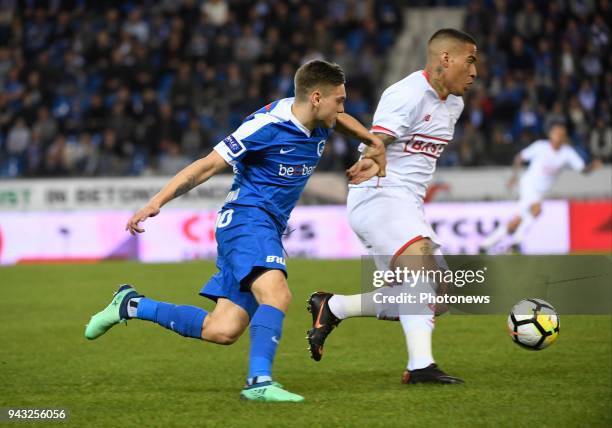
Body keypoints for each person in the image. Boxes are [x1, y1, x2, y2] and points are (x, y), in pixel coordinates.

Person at [84, 60, 386, 402]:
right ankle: (259, 382)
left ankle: (131, 304)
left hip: (265, 225)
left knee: (222, 329)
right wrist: (157, 201)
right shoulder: (266, 126)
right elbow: (206, 166)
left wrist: (372, 141)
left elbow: (342, 120)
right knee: (277, 294)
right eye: (339, 100)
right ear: (316, 97)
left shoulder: (321, 118)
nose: (344, 108)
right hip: (246, 218)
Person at [306, 29, 478, 384]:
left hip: (407, 204)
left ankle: (333, 306)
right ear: (445, 59)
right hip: (379, 193)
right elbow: (380, 136)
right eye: (470, 60)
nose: (475, 71)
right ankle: (420, 367)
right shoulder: (406, 93)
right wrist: (372, 155)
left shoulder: (455, 104)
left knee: (439, 296)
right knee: (420, 268)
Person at [480, 123, 602, 254]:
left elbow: (582, 170)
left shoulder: (567, 152)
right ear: (551, 135)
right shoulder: (540, 147)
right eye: (556, 133)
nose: (559, 137)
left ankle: (486, 245)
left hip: (540, 192)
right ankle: (516, 242)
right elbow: (519, 157)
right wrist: (514, 176)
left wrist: (592, 167)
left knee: (517, 221)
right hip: (528, 184)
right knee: (537, 210)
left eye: (562, 134)